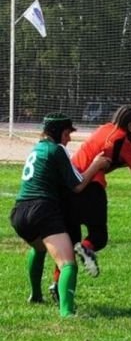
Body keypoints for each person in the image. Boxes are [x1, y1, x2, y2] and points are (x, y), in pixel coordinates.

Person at [49, 103, 131, 301]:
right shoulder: (126, 141)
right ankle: (86, 250)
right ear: (130, 124)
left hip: (69, 185)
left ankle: (57, 284)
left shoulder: (105, 129)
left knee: (68, 243)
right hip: (91, 188)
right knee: (98, 237)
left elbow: (109, 159)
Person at [10, 114, 110, 318]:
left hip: (19, 212)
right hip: (43, 210)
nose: (69, 139)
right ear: (59, 133)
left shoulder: (37, 149)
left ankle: (36, 295)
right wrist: (97, 164)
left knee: (38, 249)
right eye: (67, 133)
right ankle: (66, 312)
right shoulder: (56, 151)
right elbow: (78, 185)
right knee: (68, 263)